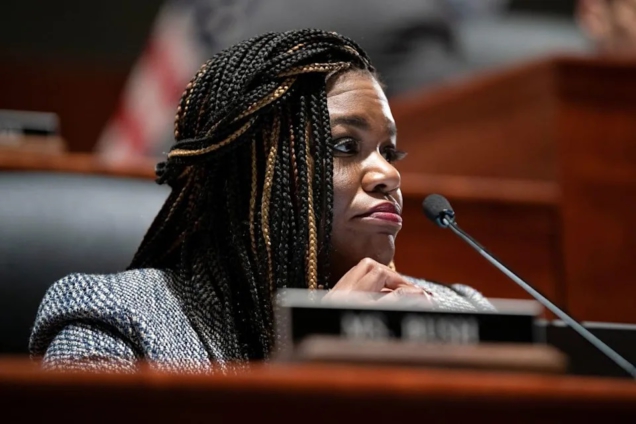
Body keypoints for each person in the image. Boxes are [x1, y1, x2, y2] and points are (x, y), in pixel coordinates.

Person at [30, 29, 493, 373]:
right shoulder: (118, 324)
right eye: (344, 146)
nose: (389, 175)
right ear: (247, 172)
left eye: (389, 152)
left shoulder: (460, 312)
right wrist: (306, 368)